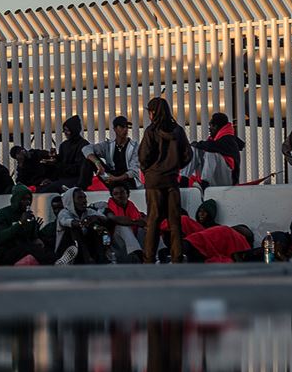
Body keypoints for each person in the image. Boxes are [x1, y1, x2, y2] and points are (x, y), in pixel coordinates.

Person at [138, 97, 192, 264]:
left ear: (153, 112)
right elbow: (188, 155)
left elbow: (143, 157)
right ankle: (177, 257)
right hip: (172, 181)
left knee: (153, 220)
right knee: (175, 221)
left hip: (154, 181)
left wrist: (149, 170)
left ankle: (148, 258)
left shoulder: (151, 131)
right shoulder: (178, 131)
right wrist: (174, 167)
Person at [0, 184, 53, 265]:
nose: (27, 202)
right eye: (23, 199)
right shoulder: (3, 213)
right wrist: (20, 223)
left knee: (44, 248)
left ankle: (57, 262)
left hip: (24, 249)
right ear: (17, 199)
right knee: (30, 249)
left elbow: (32, 238)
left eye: (29, 199)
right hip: (5, 251)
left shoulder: (29, 216)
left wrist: (36, 230)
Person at [182, 112, 246, 187]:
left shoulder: (229, 140)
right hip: (217, 176)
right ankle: (184, 179)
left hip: (229, 179)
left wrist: (197, 144)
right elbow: (209, 145)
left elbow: (211, 146)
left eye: (211, 125)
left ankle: (204, 184)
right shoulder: (216, 140)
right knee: (195, 149)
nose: (209, 128)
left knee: (211, 152)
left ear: (217, 126)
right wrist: (195, 146)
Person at [80, 115, 141, 190]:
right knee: (88, 160)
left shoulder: (134, 146)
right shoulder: (108, 145)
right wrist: (97, 163)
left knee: (125, 183)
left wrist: (115, 178)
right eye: (122, 127)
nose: (125, 129)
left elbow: (133, 172)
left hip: (129, 182)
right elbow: (86, 149)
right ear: (115, 129)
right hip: (111, 178)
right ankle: (81, 189)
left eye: (126, 127)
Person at [55, 187, 110, 264]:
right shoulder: (64, 212)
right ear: (71, 201)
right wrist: (83, 223)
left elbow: (104, 219)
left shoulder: (89, 211)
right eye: (80, 198)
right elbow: (68, 222)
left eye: (84, 197)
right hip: (68, 247)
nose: (84, 201)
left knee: (99, 228)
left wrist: (96, 219)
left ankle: (103, 257)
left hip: (87, 246)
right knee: (74, 229)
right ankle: (68, 261)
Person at [39, 116, 90, 193]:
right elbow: (62, 162)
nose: (65, 133)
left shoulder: (83, 145)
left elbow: (78, 168)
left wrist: (56, 163)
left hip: (76, 180)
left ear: (74, 130)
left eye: (67, 130)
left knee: (48, 190)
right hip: (64, 179)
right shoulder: (64, 145)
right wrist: (54, 159)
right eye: (65, 130)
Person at [103, 183, 146, 262]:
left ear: (128, 194)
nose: (119, 196)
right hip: (117, 244)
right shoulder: (107, 209)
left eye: (122, 192)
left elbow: (142, 220)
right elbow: (115, 218)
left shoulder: (132, 207)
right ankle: (137, 253)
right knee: (122, 227)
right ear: (112, 196)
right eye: (116, 194)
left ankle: (161, 252)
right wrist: (135, 222)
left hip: (135, 238)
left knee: (146, 228)